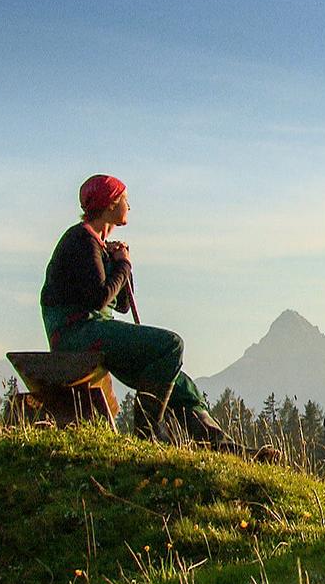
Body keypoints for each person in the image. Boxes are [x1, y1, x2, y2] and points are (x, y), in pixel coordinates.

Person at [39, 174, 230, 447]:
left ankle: (221, 444)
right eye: (125, 199)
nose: (129, 205)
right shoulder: (82, 240)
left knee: (178, 381)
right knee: (171, 345)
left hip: (94, 331)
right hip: (78, 332)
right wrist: (123, 265)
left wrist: (121, 263)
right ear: (110, 204)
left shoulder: (98, 245)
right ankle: (148, 433)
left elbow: (123, 305)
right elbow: (99, 298)